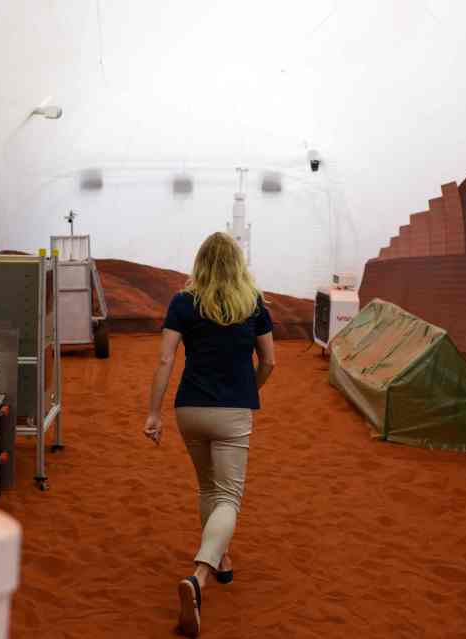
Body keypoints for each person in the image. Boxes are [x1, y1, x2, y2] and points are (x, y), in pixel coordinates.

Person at [143, 232, 276, 637]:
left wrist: (153, 413)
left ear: (200, 262)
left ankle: (222, 558)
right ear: (238, 263)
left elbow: (166, 358)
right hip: (232, 411)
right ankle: (200, 576)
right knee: (230, 496)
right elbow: (269, 361)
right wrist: (248, 387)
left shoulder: (183, 303)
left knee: (207, 488)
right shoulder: (253, 303)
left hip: (190, 409)